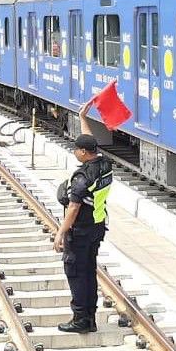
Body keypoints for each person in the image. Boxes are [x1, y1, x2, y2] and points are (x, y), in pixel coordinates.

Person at [53, 123, 113, 333]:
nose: (75, 152)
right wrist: (82, 117)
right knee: (89, 272)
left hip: (80, 231)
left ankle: (80, 319)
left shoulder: (82, 178)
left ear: (84, 152)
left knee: (76, 272)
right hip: (97, 228)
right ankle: (90, 318)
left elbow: (74, 207)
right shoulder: (105, 165)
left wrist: (60, 232)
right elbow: (90, 139)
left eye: (77, 149)